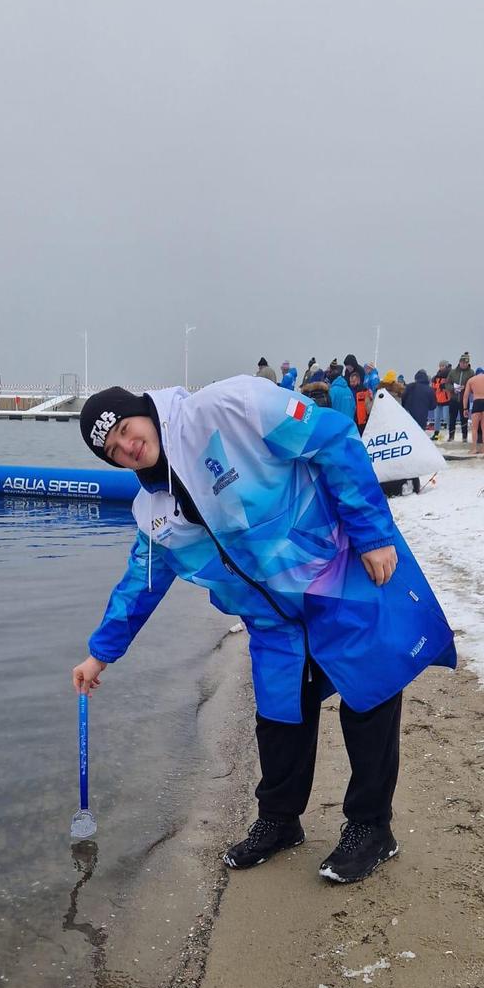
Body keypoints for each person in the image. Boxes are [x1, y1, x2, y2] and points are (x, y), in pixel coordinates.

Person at [73, 378, 456, 886]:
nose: (127, 446)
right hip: (272, 618)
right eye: (113, 450)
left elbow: (333, 438)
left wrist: (373, 533)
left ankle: (371, 828)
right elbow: (139, 586)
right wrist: (99, 654)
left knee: (369, 697)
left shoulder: (233, 406)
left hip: (335, 573)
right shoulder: (153, 512)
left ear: (144, 411)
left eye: (125, 428)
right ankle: (280, 821)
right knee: (279, 712)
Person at [401, 370, 435, 493]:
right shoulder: (429, 390)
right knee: (418, 441)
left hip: (408, 418)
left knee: (409, 440)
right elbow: (433, 406)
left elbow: (403, 400)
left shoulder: (410, 387)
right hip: (422, 419)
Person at [446, 352, 471, 442]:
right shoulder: (452, 372)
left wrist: (466, 387)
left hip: (464, 400)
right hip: (453, 399)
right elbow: (447, 384)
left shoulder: (471, 372)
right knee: (452, 418)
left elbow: (472, 385)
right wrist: (453, 388)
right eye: (463, 362)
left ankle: (464, 437)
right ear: (459, 362)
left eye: (466, 363)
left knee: (464, 419)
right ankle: (451, 436)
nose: (464, 364)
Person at [462, 366, 484, 456]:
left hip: (477, 402)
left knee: (474, 428)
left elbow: (466, 396)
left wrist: (465, 409)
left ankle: (474, 449)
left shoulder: (471, 380)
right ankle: (483, 448)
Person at [348, 366, 373, 435]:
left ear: (358, 381)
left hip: (362, 422)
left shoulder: (365, 391)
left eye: (353, 381)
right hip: (353, 420)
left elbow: (369, 408)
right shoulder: (349, 391)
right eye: (350, 382)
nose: (352, 383)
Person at [430, 362, 451, 440]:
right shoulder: (435, 377)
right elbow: (433, 387)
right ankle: (436, 434)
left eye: (443, 366)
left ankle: (451, 433)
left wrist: (445, 386)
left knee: (446, 417)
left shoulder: (449, 376)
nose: (441, 367)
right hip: (437, 400)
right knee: (437, 418)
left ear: (446, 366)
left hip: (446, 400)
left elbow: (451, 386)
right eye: (440, 366)